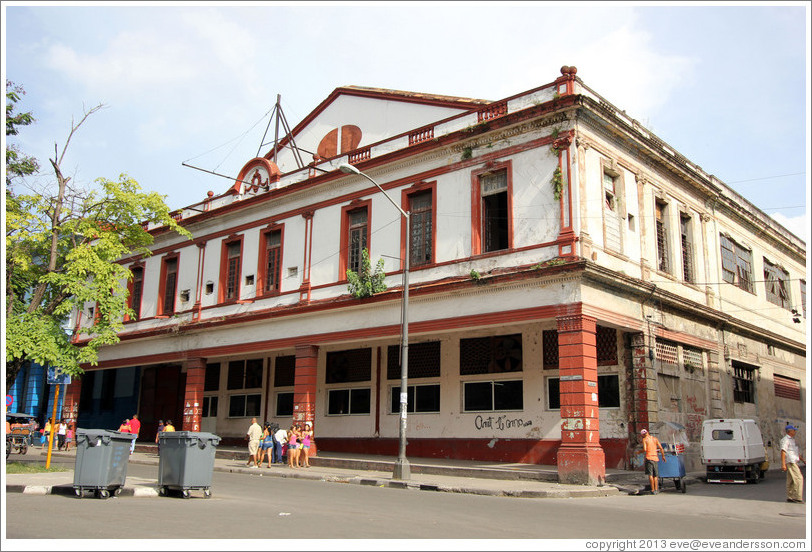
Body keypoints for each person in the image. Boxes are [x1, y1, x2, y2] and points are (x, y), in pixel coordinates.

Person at [781, 424, 805, 503]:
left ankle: (790, 496)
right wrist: (783, 464)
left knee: (790, 480)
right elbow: (783, 451)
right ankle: (797, 497)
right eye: (794, 430)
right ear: (790, 431)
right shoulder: (786, 440)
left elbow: (794, 452)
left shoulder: (791, 440)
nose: (795, 431)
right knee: (799, 478)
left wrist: (803, 460)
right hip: (791, 461)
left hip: (794, 460)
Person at [641, 428, 666, 494]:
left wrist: (638, 452)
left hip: (649, 458)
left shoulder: (644, 439)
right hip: (655, 458)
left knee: (650, 474)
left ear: (643, 435)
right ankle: (656, 489)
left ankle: (652, 490)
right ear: (648, 432)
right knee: (656, 475)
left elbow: (645, 449)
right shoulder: (655, 439)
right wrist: (663, 456)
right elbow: (661, 448)